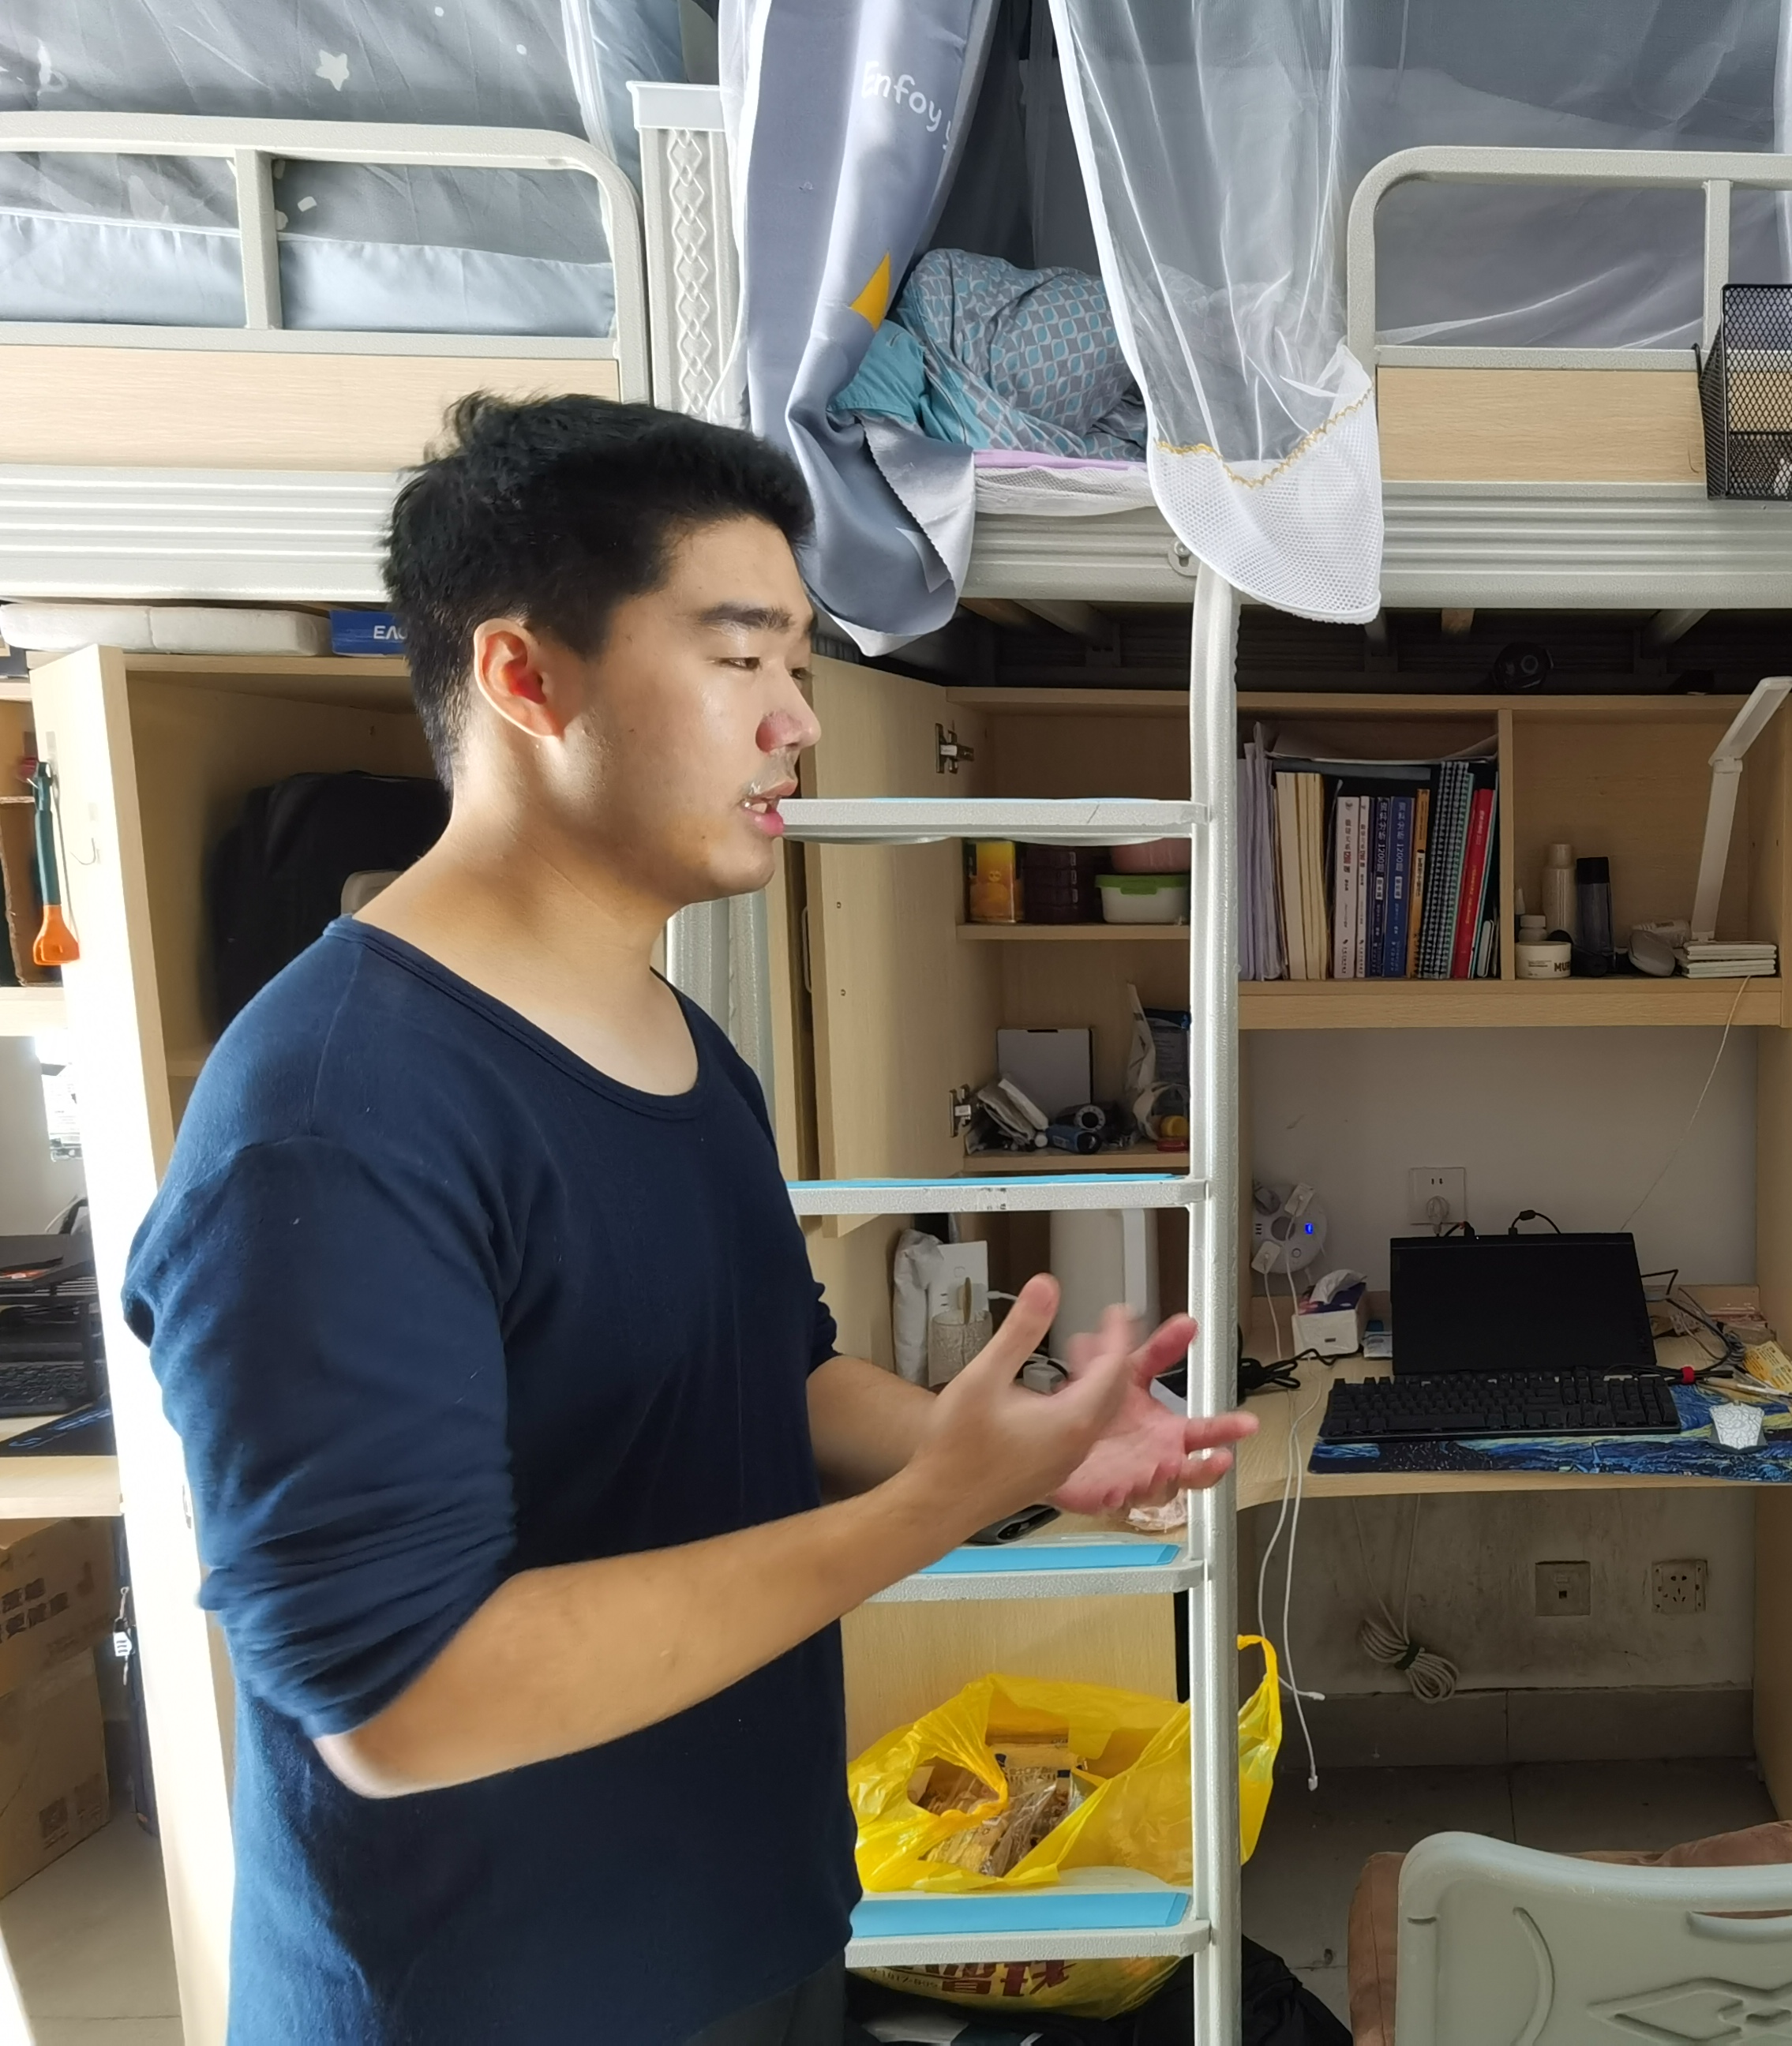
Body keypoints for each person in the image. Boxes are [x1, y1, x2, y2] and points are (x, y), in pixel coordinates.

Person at [123, 393, 1258, 2046]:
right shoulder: (332, 1115)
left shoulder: (672, 1037)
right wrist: (929, 1511)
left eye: (801, 662)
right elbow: (402, 1700)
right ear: (525, 678)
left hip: (747, 1935)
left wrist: (1016, 1447)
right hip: (494, 2006)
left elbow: (769, 1382)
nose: (797, 721)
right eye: (740, 657)